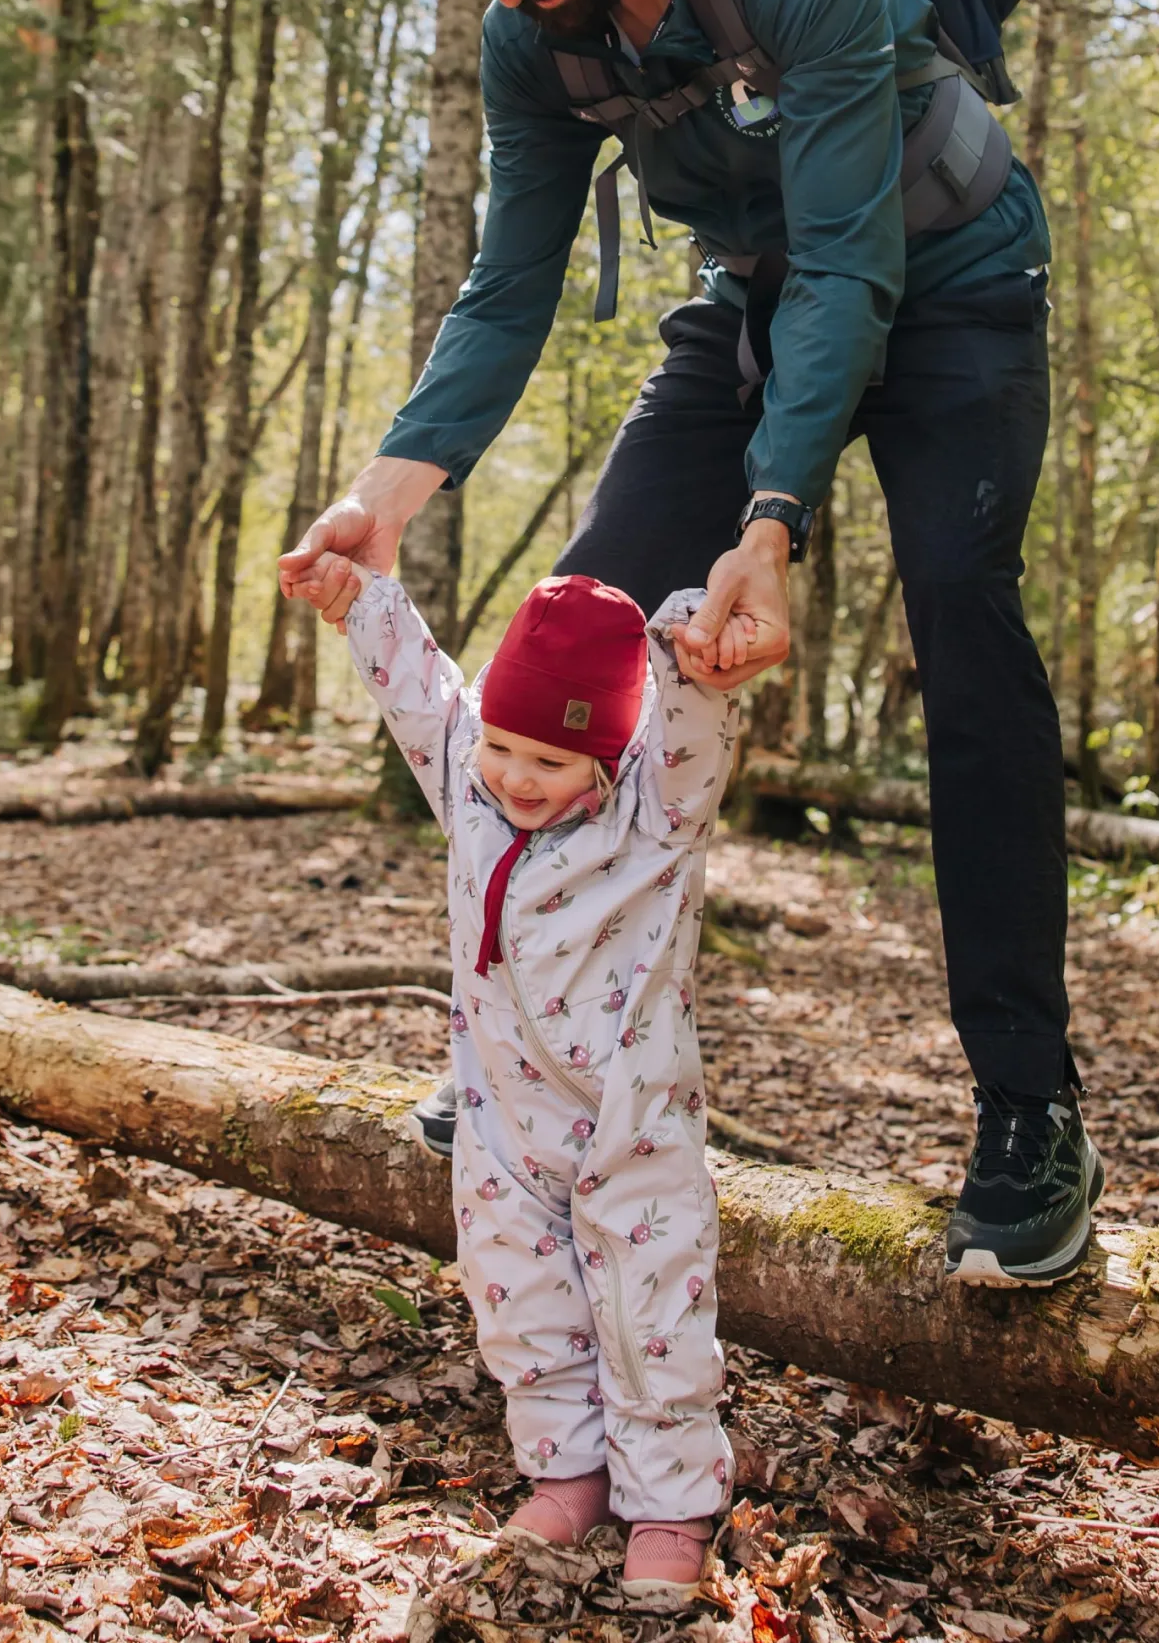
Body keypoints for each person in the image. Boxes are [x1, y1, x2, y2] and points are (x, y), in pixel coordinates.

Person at [279, 0, 1106, 1289]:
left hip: (956, 275)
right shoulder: (530, 36)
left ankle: (1030, 1106)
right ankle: (529, 1053)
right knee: (577, 635)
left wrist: (773, 516)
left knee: (964, 614)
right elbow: (509, 283)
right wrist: (384, 495)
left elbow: (852, 261)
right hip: (764, 299)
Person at [297, 557, 752, 1606]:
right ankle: (567, 1471)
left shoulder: (650, 825)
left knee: (651, 1306)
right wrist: (358, 600)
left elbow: (691, 733)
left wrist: (697, 648)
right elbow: (420, 690)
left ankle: (672, 1501)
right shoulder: (469, 776)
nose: (514, 776)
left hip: (630, 1124)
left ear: (604, 754)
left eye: (548, 759)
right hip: (503, 1118)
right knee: (520, 1300)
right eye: (502, 746)